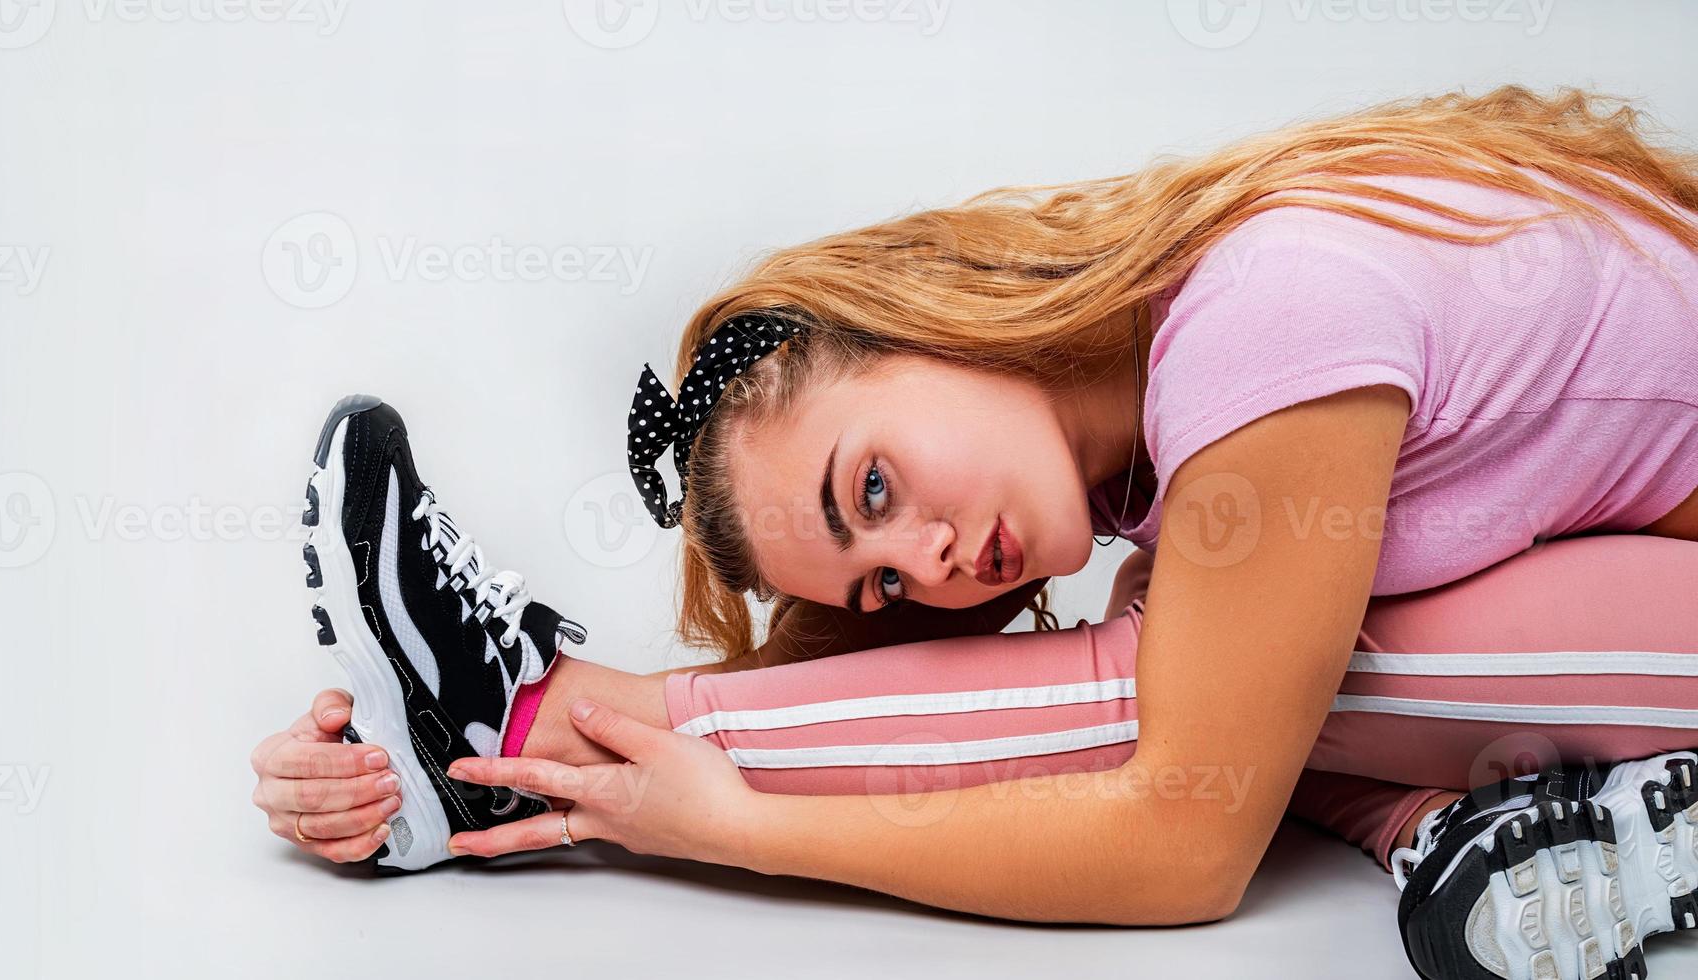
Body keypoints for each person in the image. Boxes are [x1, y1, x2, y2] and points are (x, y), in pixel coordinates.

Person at [254, 87, 1698, 980]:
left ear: (930, 320)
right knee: (1227, 653)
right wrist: (387, 764)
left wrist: (750, 830)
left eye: (873, 489)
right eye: (880, 582)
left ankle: (543, 727)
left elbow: (1184, 845)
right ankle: (496, 747)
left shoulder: (1268, 314)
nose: (929, 566)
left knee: (1189, 694)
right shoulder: (1177, 425)